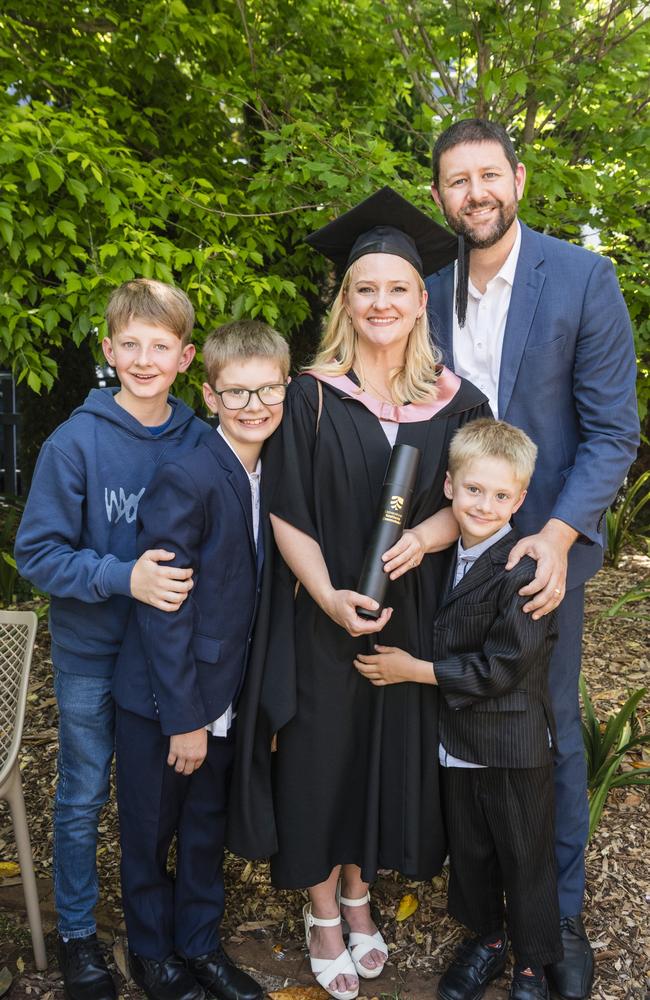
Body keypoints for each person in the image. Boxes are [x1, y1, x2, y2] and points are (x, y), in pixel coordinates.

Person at [227, 187, 491, 1000]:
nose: (382, 302)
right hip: (320, 615)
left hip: (409, 614)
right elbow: (286, 514)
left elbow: (474, 496)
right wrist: (332, 597)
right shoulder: (307, 396)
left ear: (421, 302)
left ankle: (358, 894)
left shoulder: (458, 400)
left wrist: (427, 535)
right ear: (345, 300)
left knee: (382, 756)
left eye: (397, 289)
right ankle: (320, 909)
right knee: (318, 756)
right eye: (365, 288)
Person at [425, 119, 640, 1000]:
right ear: (439, 196)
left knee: (544, 735)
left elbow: (612, 431)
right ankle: (482, 924)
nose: (474, 193)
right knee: (453, 739)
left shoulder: (584, 280)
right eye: (455, 180)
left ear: (517, 177)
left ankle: (555, 922)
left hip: (540, 553)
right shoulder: (426, 291)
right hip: (443, 548)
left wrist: (555, 537)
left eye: (487, 175)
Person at [14, 279, 210, 1000]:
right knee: (83, 793)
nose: (144, 357)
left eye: (160, 345)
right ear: (107, 350)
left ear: (186, 356)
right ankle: (76, 934)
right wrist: (122, 576)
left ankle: (154, 938)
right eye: (129, 343)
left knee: (156, 804)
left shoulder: (200, 438)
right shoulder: (77, 442)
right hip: (95, 656)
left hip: (174, 663)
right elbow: (37, 554)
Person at [111, 320, 290, 1000]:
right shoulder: (186, 475)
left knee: (206, 829)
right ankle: (154, 956)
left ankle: (199, 945)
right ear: (210, 395)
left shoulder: (272, 474)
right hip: (168, 698)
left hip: (230, 696)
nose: (253, 406)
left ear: (285, 387)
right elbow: (165, 606)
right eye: (236, 393)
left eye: (266, 390)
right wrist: (184, 716)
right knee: (151, 833)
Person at [356, 418, 561, 1000]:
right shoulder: (444, 558)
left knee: (525, 858)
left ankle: (532, 964)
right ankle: (487, 940)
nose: (485, 504)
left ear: (520, 500)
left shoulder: (525, 571)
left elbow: (500, 669)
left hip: (512, 747)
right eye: (474, 490)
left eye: (501, 496)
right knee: (470, 853)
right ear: (449, 486)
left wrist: (411, 670)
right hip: (456, 744)